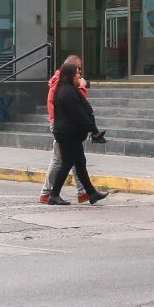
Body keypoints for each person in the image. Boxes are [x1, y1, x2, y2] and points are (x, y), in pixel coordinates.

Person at [44, 59, 108, 206]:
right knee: (67, 163)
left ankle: (91, 193)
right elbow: (79, 114)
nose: (79, 75)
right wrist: (94, 130)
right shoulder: (66, 92)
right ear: (70, 75)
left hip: (70, 133)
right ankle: (54, 194)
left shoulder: (69, 89)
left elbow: (83, 109)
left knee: (80, 163)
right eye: (77, 73)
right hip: (68, 133)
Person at [40, 54, 90, 204]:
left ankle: (82, 191)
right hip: (61, 125)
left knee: (74, 159)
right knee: (59, 160)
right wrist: (82, 86)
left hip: (64, 124)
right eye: (78, 68)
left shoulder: (61, 80)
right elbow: (74, 100)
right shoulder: (62, 83)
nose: (80, 72)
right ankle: (47, 192)